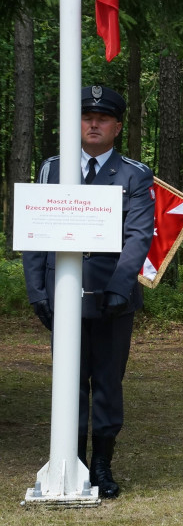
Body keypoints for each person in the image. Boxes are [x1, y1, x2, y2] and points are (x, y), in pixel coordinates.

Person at [24, 85, 156, 499]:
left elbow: (137, 236)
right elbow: (36, 232)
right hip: (61, 295)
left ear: (117, 126)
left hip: (110, 298)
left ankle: (101, 463)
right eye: (85, 117)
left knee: (106, 381)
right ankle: (71, 458)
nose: (93, 123)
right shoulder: (53, 168)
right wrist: (36, 291)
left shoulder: (134, 173)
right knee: (68, 380)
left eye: (102, 118)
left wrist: (119, 288)